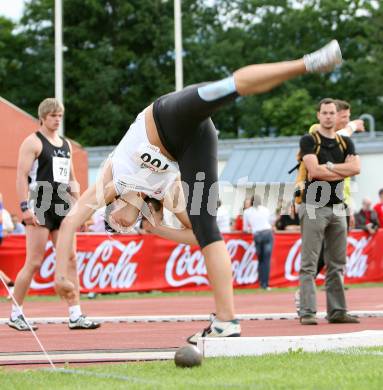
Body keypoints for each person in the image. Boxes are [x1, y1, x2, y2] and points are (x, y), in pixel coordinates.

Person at [53, 40, 343, 343]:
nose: (123, 228)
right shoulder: (166, 193)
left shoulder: (113, 182)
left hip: (168, 116)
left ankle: (307, 63)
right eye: (121, 230)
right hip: (194, 143)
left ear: (112, 208)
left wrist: (62, 276)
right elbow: (198, 237)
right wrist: (161, 230)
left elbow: (71, 222)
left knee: (227, 88)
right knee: (208, 228)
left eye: (115, 225)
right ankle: (226, 321)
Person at [8, 98, 100, 331]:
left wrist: (80, 210)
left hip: (62, 206)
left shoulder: (66, 145)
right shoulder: (32, 142)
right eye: (53, 116)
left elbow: (71, 179)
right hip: (40, 203)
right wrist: (24, 208)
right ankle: (16, 314)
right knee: (34, 261)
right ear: (43, 117)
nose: (57, 119)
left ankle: (75, 314)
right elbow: (21, 176)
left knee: (70, 259)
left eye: (60, 115)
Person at [298, 98, 360, 325]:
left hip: (337, 207)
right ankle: (307, 312)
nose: (328, 116)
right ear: (318, 115)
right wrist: (340, 171)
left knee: (337, 263)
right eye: (324, 113)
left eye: (332, 113)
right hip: (313, 206)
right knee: (309, 262)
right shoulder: (309, 140)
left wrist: (331, 169)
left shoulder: (345, 143)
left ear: (337, 116)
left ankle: (337, 311)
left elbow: (356, 169)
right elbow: (314, 171)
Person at [243, 195, 274, 290]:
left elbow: (245, 228)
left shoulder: (247, 212)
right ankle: (265, 284)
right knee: (266, 260)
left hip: (257, 235)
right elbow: (271, 223)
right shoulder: (266, 210)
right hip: (267, 233)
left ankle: (261, 283)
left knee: (260, 260)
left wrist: (251, 230)